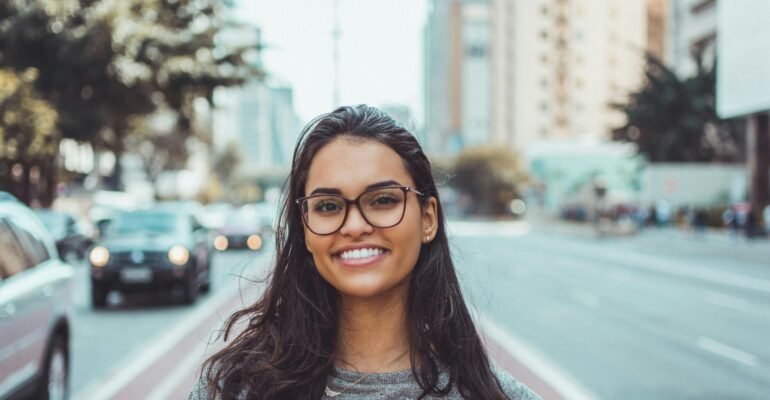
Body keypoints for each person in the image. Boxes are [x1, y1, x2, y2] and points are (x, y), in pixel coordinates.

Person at [188, 105, 541, 400]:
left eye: (384, 200)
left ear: (428, 219)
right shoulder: (230, 388)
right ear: (306, 227)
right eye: (328, 205)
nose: (354, 226)